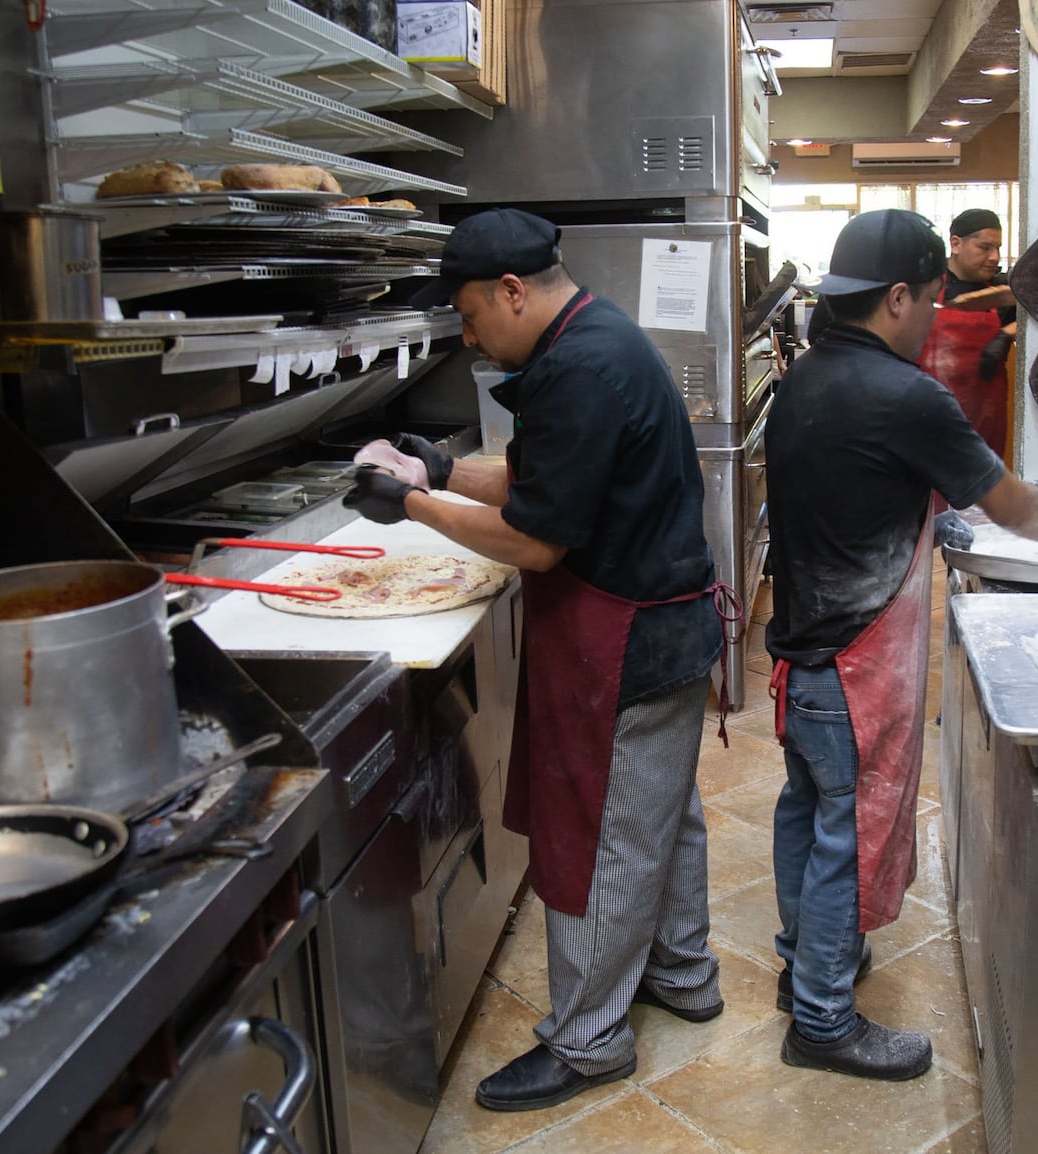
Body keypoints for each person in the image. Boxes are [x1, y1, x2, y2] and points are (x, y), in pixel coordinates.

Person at [342, 208, 731, 1113]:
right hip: (662, 626)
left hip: (627, 640)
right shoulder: (592, 335)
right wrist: (438, 468)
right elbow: (544, 473)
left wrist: (412, 507)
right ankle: (682, 973)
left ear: (512, 290)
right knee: (664, 815)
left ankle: (590, 1040)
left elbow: (534, 540)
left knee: (599, 834)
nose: (470, 335)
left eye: (471, 316)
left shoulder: (583, 365)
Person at [763, 209, 1038, 1082]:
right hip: (854, 666)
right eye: (930, 300)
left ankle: (804, 962)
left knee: (806, 809)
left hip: (801, 655)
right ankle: (822, 1020)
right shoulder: (905, 395)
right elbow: (1014, 506)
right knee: (848, 830)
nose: (935, 316)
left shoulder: (804, 380)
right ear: (899, 297)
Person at [918, 207, 1017, 460]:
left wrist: (1006, 332)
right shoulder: (926, 289)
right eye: (985, 248)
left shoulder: (1002, 292)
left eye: (998, 248)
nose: (995, 257)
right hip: (931, 415)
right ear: (956, 244)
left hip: (985, 419)